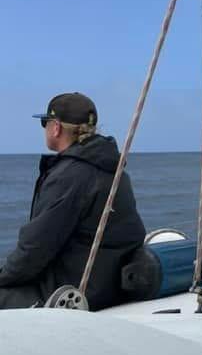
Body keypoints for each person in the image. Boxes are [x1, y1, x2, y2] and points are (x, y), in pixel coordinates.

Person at [0, 93, 146, 311]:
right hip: (113, 286)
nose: (45, 129)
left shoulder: (70, 175)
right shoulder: (114, 169)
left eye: (45, 122)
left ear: (56, 128)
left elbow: (35, 249)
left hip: (74, 292)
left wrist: (3, 276)